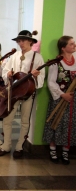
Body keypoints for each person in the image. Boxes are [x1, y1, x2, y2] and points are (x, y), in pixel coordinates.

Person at [0, 30, 45, 158]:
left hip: (28, 93)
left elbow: (41, 78)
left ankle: (19, 147)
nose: (20, 43)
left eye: (23, 40)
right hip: (13, 91)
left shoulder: (37, 57)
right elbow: (5, 70)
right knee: (7, 119)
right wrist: (8, 74)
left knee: (24, 120)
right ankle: (6, 145)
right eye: (19, 41)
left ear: (30, 41)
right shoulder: (15, 55)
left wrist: (35, 76)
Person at [43, 36, 76, 165]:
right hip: (60, 99)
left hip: (73, 100)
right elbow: (51, 82)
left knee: (70, 125)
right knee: (56, 123)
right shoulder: (55, 63)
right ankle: (53, 150)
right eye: (72, 44)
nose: (74, 46)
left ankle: (65, 151)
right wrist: (63, 95)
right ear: (63, 47)